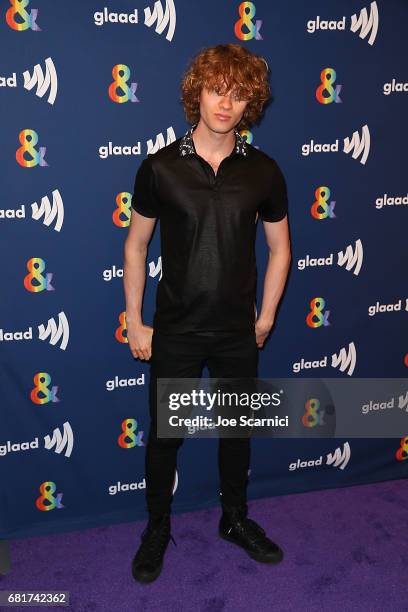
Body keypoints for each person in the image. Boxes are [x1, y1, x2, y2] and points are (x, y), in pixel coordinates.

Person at [123, 43, 291, 584]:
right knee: (165, 437)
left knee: (236, 433)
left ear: (251, 105)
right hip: (175, 329)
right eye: (218, 89)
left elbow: (281, 249)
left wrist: (264, 317)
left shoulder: (264, 171)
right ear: (197, 91)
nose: (226, 103)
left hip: (237, 331)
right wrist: (135, 318)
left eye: (240, 95)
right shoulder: (159, 168)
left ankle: (235, 520)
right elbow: (136, 246)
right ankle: (156, 527)